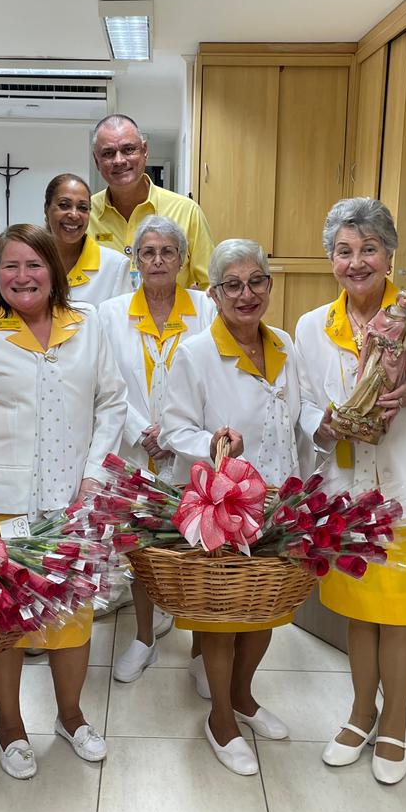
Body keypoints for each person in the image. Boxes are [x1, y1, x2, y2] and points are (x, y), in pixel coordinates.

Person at [0, 224, 127, 779]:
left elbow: (112, 403)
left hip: (72, 503)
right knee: (5, 623)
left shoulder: (88, 324)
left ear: (53, 270)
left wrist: (95, 475)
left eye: (34, 264)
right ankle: (10, 727)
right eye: (10, 266)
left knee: (73, 621)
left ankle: (71, 716)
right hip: (2, 502)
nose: (23, 277)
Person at [295, 198, 406, 785]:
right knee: (361, 614)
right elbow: (301, 403)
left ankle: (395, 725)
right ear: (330, 259)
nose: (357, 262)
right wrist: (324, 423)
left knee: (401, 617)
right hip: (348, 493)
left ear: (390, 254)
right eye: (344, 251)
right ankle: (360, 714)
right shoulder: (312, 326)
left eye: (369, 249)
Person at [159, 239, 306, 777]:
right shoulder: (195, 354)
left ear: (270, 284)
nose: (247, 294)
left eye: (256, 281)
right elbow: (173, 428)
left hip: (277, 501)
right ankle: (220, 718)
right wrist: (212, 442)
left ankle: (242, 696)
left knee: (265, 608)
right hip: (224, 506)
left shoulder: (285, 344)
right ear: (214, 294)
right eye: (232, 285)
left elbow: (297, 417)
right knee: (222, 616)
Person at [99, 216, 216, 683]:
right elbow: (107, 382)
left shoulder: (206, 309)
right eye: (147, 252)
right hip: (135, 450)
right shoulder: (110, 314)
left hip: (190, 452)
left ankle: (202, 651)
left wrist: (174, 434)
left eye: (168, 251)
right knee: (140, 549)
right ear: (135, 260)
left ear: (182, 259)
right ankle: (144, 638)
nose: (158, 260)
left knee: (199, 551)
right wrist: (141, 430)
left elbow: (213, 378)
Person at [87, 114, 214, 289]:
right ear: (96, 160)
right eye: (108, 153)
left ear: (145, 150)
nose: (119, 160)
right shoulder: (85, 216)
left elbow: (211, 286)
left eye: (128, 149)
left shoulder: (187, 212)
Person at [43, 173, 132, 305]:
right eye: (64, 205)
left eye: (82, 208)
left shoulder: (115, 266)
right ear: (47, 209)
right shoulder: (27, 261)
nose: (74, 215)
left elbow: (122, 317)